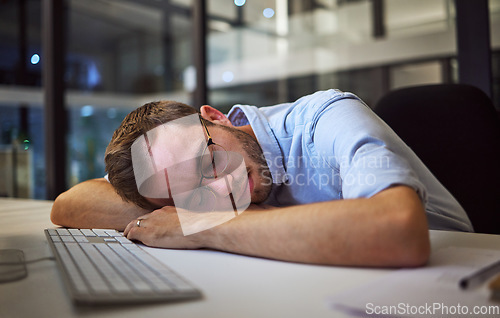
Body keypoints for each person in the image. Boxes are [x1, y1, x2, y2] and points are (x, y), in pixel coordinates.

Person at [51, 89, 473, 267]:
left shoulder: (325, 119)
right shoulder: (174, 164)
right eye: (188, 196)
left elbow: (398, 232)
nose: (221, 190)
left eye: (209, 165)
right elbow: (68, 205)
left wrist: (204, 226)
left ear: (214, 118)